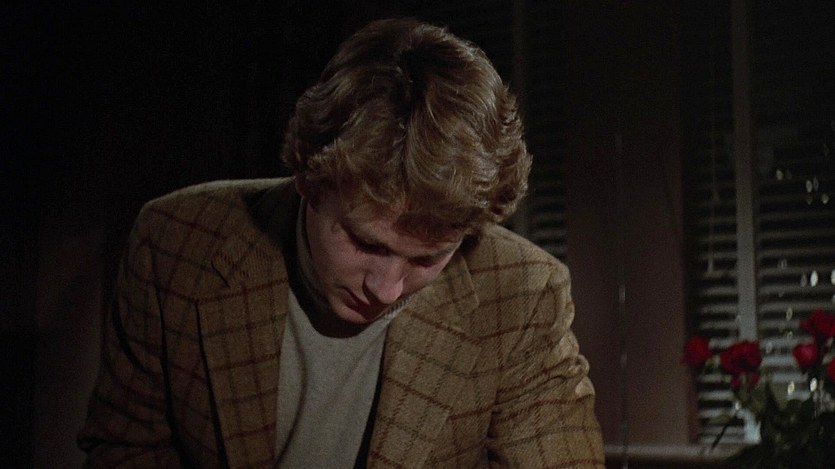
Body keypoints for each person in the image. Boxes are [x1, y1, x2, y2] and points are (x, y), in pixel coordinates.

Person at [78, 17, 604, 468]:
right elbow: (125, 451)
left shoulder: (523, 292)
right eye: (367, 244)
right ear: (308, 180)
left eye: (428, 258)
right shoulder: (174, 243)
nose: (387, 290)